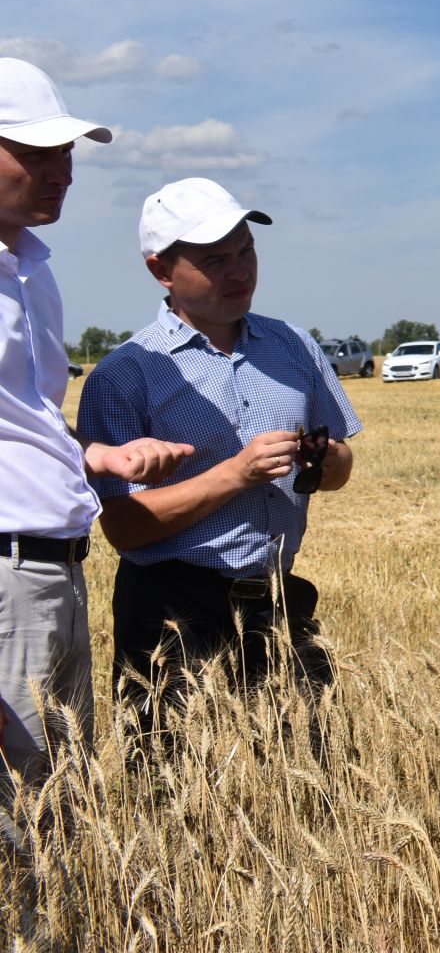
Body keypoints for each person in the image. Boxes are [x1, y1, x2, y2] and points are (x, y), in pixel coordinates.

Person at [78, 177, 360, 741]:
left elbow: (343, 465)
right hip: (173, 614)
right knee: (177, 797)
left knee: (304, 791)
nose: (239, 272)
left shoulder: (293, 346)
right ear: (162, 272)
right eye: (215, 261)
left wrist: (324, 463)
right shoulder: (126, 374)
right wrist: (237, 473)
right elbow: (125, 530)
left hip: (278, 601)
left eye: (245, 252)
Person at [0, 59, 190, 835]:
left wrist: (97, 458)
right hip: (7, 579)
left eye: (68, 152)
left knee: (58, 820)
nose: (63, 172)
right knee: (15, 830)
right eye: (37, 154)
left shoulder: (32, 270)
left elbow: (23, 420)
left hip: (57, 573)